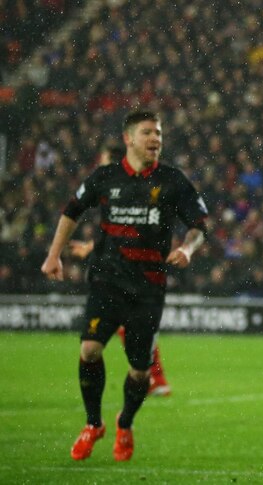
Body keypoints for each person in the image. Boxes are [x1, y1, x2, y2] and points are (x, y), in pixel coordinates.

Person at [41, 111, 208, 461]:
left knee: (140, 372)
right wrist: (54, 255)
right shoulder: (105, 177)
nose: (156, 139)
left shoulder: (173, 181)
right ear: (128, 138)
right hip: (107, 282)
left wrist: (187, 248)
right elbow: (71, 211)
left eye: (159, 133)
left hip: (148, 288)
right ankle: (92, 424)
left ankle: (125, 421)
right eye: (148, 132)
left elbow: (199, 224)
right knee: (89, 350)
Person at [68, 238, 172, 395]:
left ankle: (154, 378)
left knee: (135, 327)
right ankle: (155, 378)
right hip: (132, 274)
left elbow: (124, 233)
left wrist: (91, 246)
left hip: (136, 275)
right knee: (132, 328)